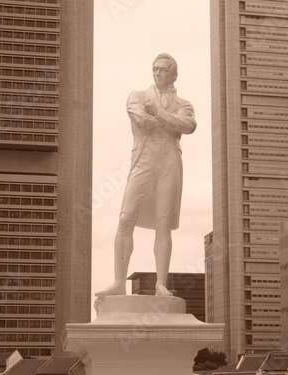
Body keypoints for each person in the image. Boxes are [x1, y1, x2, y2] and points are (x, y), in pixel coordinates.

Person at [95, 53, 196, 297]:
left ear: (174, 74)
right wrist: (169, 122)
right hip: (143, 160)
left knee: (164, 222)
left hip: (169, 163)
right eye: (155, 69)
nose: (158, 73)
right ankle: (119, 281)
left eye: (163, 70)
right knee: (126, 217)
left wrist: (159, 113)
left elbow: (189, 126)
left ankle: (161, 283)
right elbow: (143, 122)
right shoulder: (137, 97)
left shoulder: (184, 103)